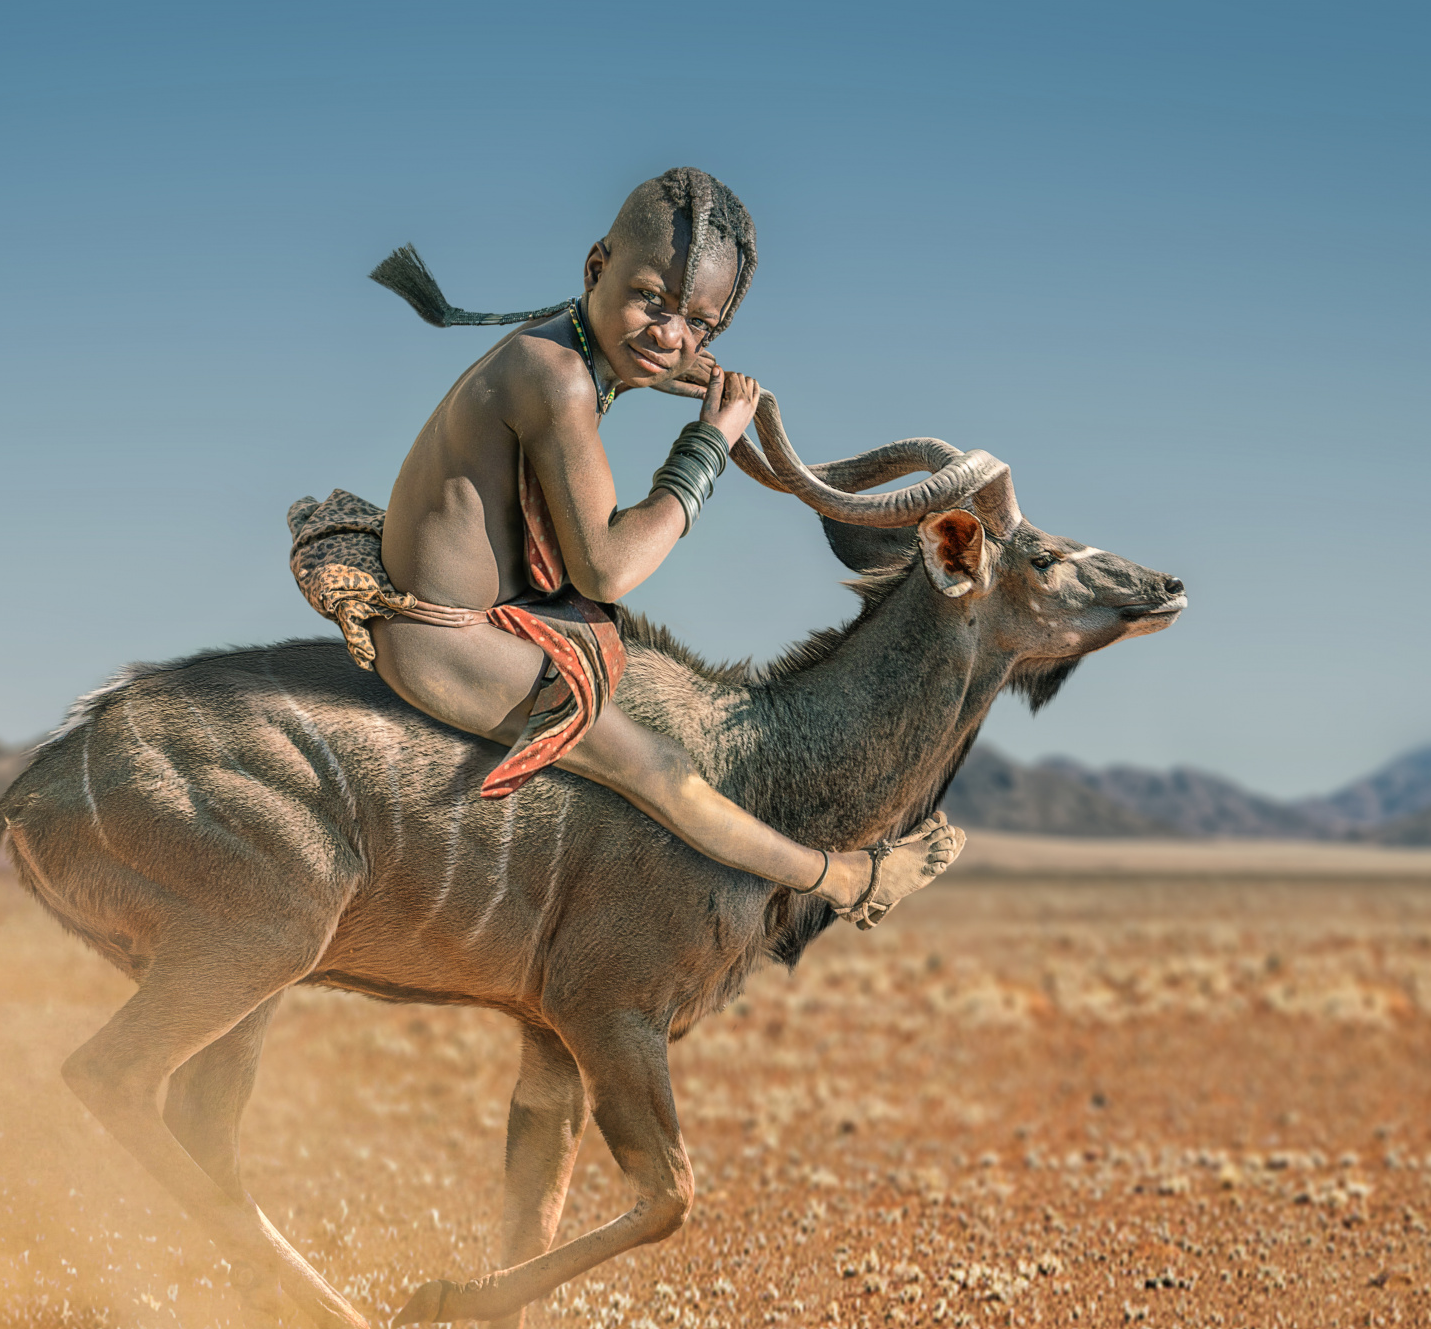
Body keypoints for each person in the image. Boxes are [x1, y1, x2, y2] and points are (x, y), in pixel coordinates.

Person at [294, 167, 959, 925]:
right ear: (595, 268)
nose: (672, 336)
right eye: (652, 300)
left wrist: (647, 362)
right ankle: (848, 881)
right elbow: (607, 570)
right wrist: (708, 447)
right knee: (662, 768)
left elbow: (626, 361)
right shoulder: (558, 379)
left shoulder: (566, 347)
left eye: (700, 325)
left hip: (465, 604)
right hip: (438, 637)